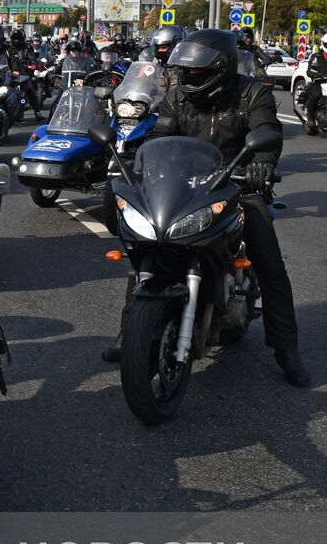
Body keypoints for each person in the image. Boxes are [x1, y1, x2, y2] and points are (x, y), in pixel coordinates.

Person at [103, 28, 311, 387]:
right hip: (186, 184)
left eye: (197, 72)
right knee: (146, 247)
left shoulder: (252, 94)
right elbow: (160, 135)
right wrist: (143, 163)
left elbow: (267, 134)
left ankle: (286, 348)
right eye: (186, 71)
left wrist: (262, 163)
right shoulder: (178, 95)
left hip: (237, 184)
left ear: (222, 68)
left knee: (268, 260)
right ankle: (130, 332)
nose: (189, 77)